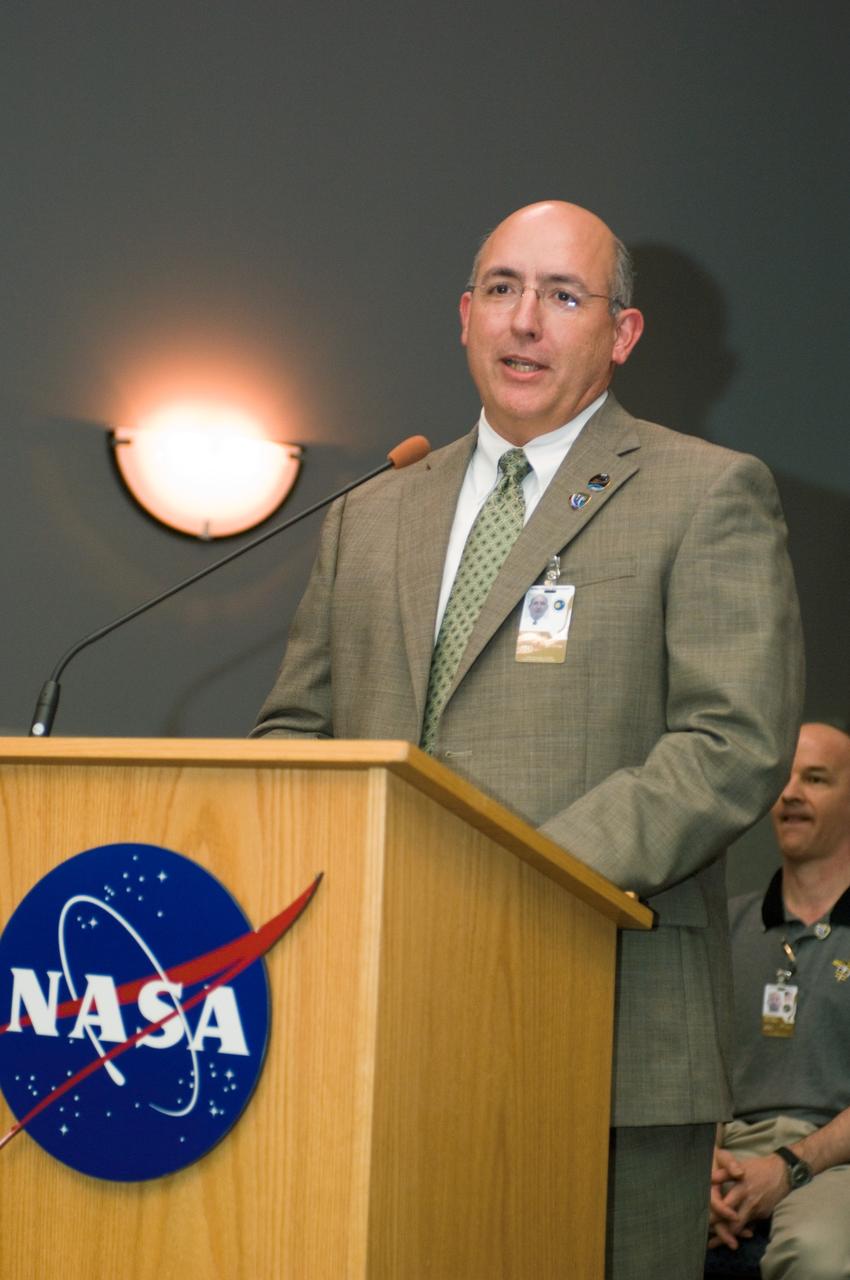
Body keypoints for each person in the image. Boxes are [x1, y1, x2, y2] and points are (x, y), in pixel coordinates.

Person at [252, 200, 804, 1278]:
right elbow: (293, 736)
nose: (524, 322)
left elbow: (730, 742)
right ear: (463, 316)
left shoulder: (704, 492)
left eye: (562, 295)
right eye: (501, 290)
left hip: (605, 1028)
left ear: (622, 332)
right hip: (372, 1032)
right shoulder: (372, 511)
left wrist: (525, 872)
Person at [709, 722, 850, 1279]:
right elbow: (690, 1066)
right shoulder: (724, 926)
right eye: (783, 779)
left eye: (815, 779)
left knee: (816, 1257)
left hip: (835, 1163)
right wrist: (706, 1172)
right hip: (723, 1157)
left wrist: (786, 1167)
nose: (790, 794)